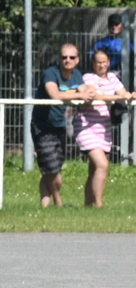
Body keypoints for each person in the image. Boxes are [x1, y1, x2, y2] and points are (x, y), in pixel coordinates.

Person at [31, 44, 96, 208]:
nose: (68, 60)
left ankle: (45, 207)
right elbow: (55, 95)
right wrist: (81, 94)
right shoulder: (51, 73)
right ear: (59, 59)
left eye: (72, 57)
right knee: (52, 171)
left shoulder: (77, 76)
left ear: (77, 60)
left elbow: (86, 92)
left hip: (59, 126)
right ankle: (59, 202)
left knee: (51, 169)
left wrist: (92, 92)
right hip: (42, 126)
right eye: (64, 57)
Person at [73, 48, 136, 208]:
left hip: (104, 128)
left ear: (108, 62)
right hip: (86, 126)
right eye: (98, 62)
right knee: (102, 164)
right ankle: (99, 204)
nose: (101, 65)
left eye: (104, 62)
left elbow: (123, 92)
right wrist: (119, 97)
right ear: (93, 64)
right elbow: (95, 95)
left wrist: (130, 95)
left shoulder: (113, 78)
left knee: (95, 168)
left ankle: (88, 204)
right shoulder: (88, 77)